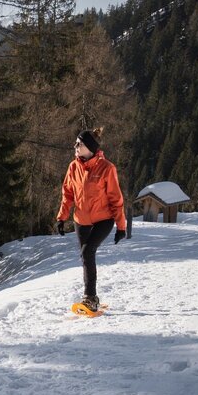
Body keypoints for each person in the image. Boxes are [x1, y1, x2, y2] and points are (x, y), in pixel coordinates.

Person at [56, 128, 127, 312]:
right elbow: (68, 194)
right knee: (86, 257)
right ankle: (90, 295)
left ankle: (90, 298)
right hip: (81, 220)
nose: (75, 147)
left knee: (87, 252)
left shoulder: (107, 168)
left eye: (79, 144)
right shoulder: (73, 167)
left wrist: (121, 226)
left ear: (89, 147)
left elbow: (116, 199)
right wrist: (62, 217)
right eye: (76, 144)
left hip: (103, 219)